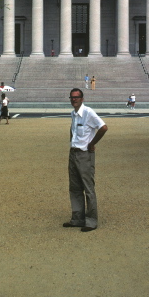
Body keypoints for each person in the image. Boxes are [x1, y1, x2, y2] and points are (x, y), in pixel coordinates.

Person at [63, 88, 108, 232]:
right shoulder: (73, 114)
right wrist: (72, 143)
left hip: (84, 155)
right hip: (74, 153)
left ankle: (91, 220)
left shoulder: (88, 112)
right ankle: (77, 218)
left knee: (88, 188)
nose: (73, 99)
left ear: (82, 99)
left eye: (76, 97)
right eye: (71, 97)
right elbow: (73, 130)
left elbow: (103, 127)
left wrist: (92, 143)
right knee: (75, 188)